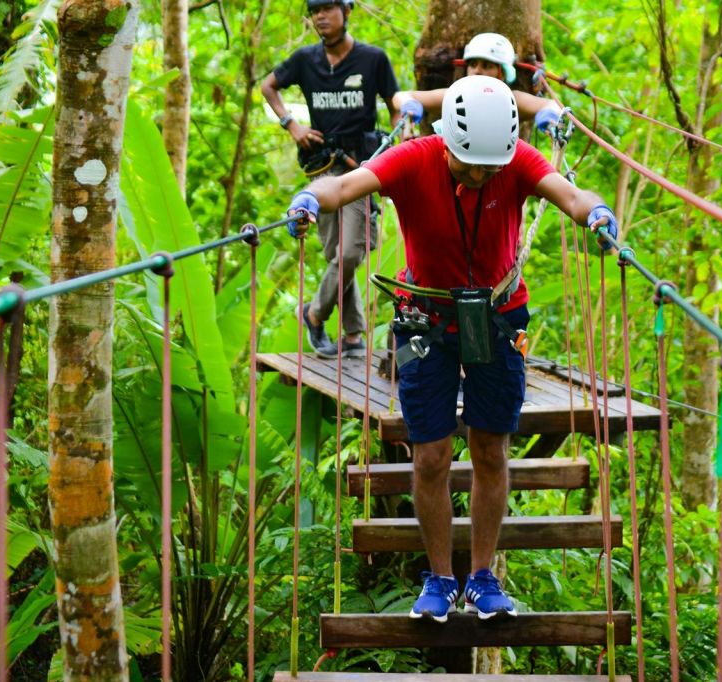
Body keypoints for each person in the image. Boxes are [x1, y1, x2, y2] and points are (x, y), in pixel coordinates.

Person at [285, 76, 618, 623]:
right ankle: (439, 578)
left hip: (498, 317)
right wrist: (307, 200)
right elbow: (343, 187)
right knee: (431, 455)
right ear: (448, 143)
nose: (481, 175)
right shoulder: (412, 158)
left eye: (490, 167)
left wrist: (598, 214)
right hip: (426, 321)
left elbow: (573, 195)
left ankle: (482, 577)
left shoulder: (516, 160)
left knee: (490, 449)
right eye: (470, 166)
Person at [261, 0, 400, 358]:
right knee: (335, 253)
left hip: (359, 167)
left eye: (327, 7)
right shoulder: (305, 60)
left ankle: (313, 313)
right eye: (314, 10)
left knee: (351, 251)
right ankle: (353, 336)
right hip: (322, 166)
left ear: (347, 10)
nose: (320, 16)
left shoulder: (373, 59)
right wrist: (291, 125)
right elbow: (268, 86)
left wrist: (400, 143)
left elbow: (395, 105)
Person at [392, 32, 563, 134]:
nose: (477, 71)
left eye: (487, 66)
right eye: (473, 64)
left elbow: (552, 105)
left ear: (502, 73)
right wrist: (409, 105)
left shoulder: (511, 101)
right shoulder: (455, 96)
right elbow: (401, 96)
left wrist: (549, 116)